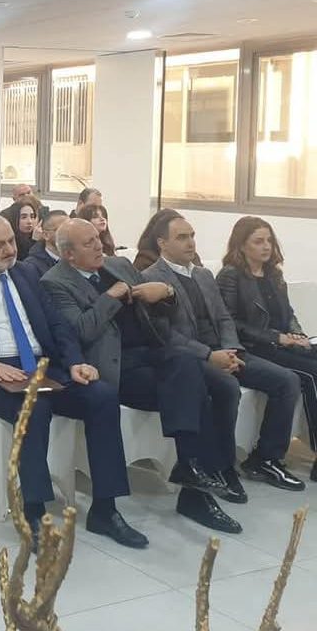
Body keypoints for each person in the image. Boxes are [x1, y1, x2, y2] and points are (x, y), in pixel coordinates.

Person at [0, 215, 148, 549]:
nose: (9, 250)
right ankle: (33, 511)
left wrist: (75, 362)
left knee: (102, 397)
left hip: (42, 367)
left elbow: (58, 326)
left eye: (11, 241)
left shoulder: (27, 274)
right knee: (34, 407)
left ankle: (106, 508)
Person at [42, 219, 243, 533]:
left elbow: (161, 315)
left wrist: (166, 292)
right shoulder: (55, 282)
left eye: (98, 238)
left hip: (151, 351)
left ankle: (190, 467)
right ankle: (194, 490)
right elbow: (80, 331)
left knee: (188, 365)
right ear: (68, 254)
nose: (98, 246)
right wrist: (111, 297)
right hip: (114, 367)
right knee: (196, 392)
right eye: (88, 243)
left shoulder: (119, 265)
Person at [142, 213, 305, 492]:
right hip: (192, 358)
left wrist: (231, 350)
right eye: (182, 237)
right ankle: (222, 465)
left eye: (192, 236)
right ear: (162, 243)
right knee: (227, 387)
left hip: (226, 351)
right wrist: (209, 355)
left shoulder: (203, 274)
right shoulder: (151, 278)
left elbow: (224, 318)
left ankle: (267, 458)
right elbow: (166, 335)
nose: (191, 243)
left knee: (287, 380)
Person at [217, 216, 317, 482]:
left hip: (281, 343)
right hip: (253, 347)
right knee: (307, 375)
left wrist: (297, 334)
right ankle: (266, 458)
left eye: (269, 241)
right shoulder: (231, 275)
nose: (266, 247)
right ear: (241, 245)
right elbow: (229, 323)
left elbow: (288, 313)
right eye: (258, 241)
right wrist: (277, 337)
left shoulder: (274, 275)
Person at [24, 210, 68, 277]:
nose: (69, 234)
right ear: (46, 235)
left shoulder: (77, 258)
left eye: (71, 229)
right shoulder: (32, 266)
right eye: (62, 230)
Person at [4, 194, 41, 261]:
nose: (29, 221)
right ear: (15, 219)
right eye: (24, 217)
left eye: (32, 217)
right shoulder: (10, 241)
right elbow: (26, 262)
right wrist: (34, 242)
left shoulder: (37, 235)